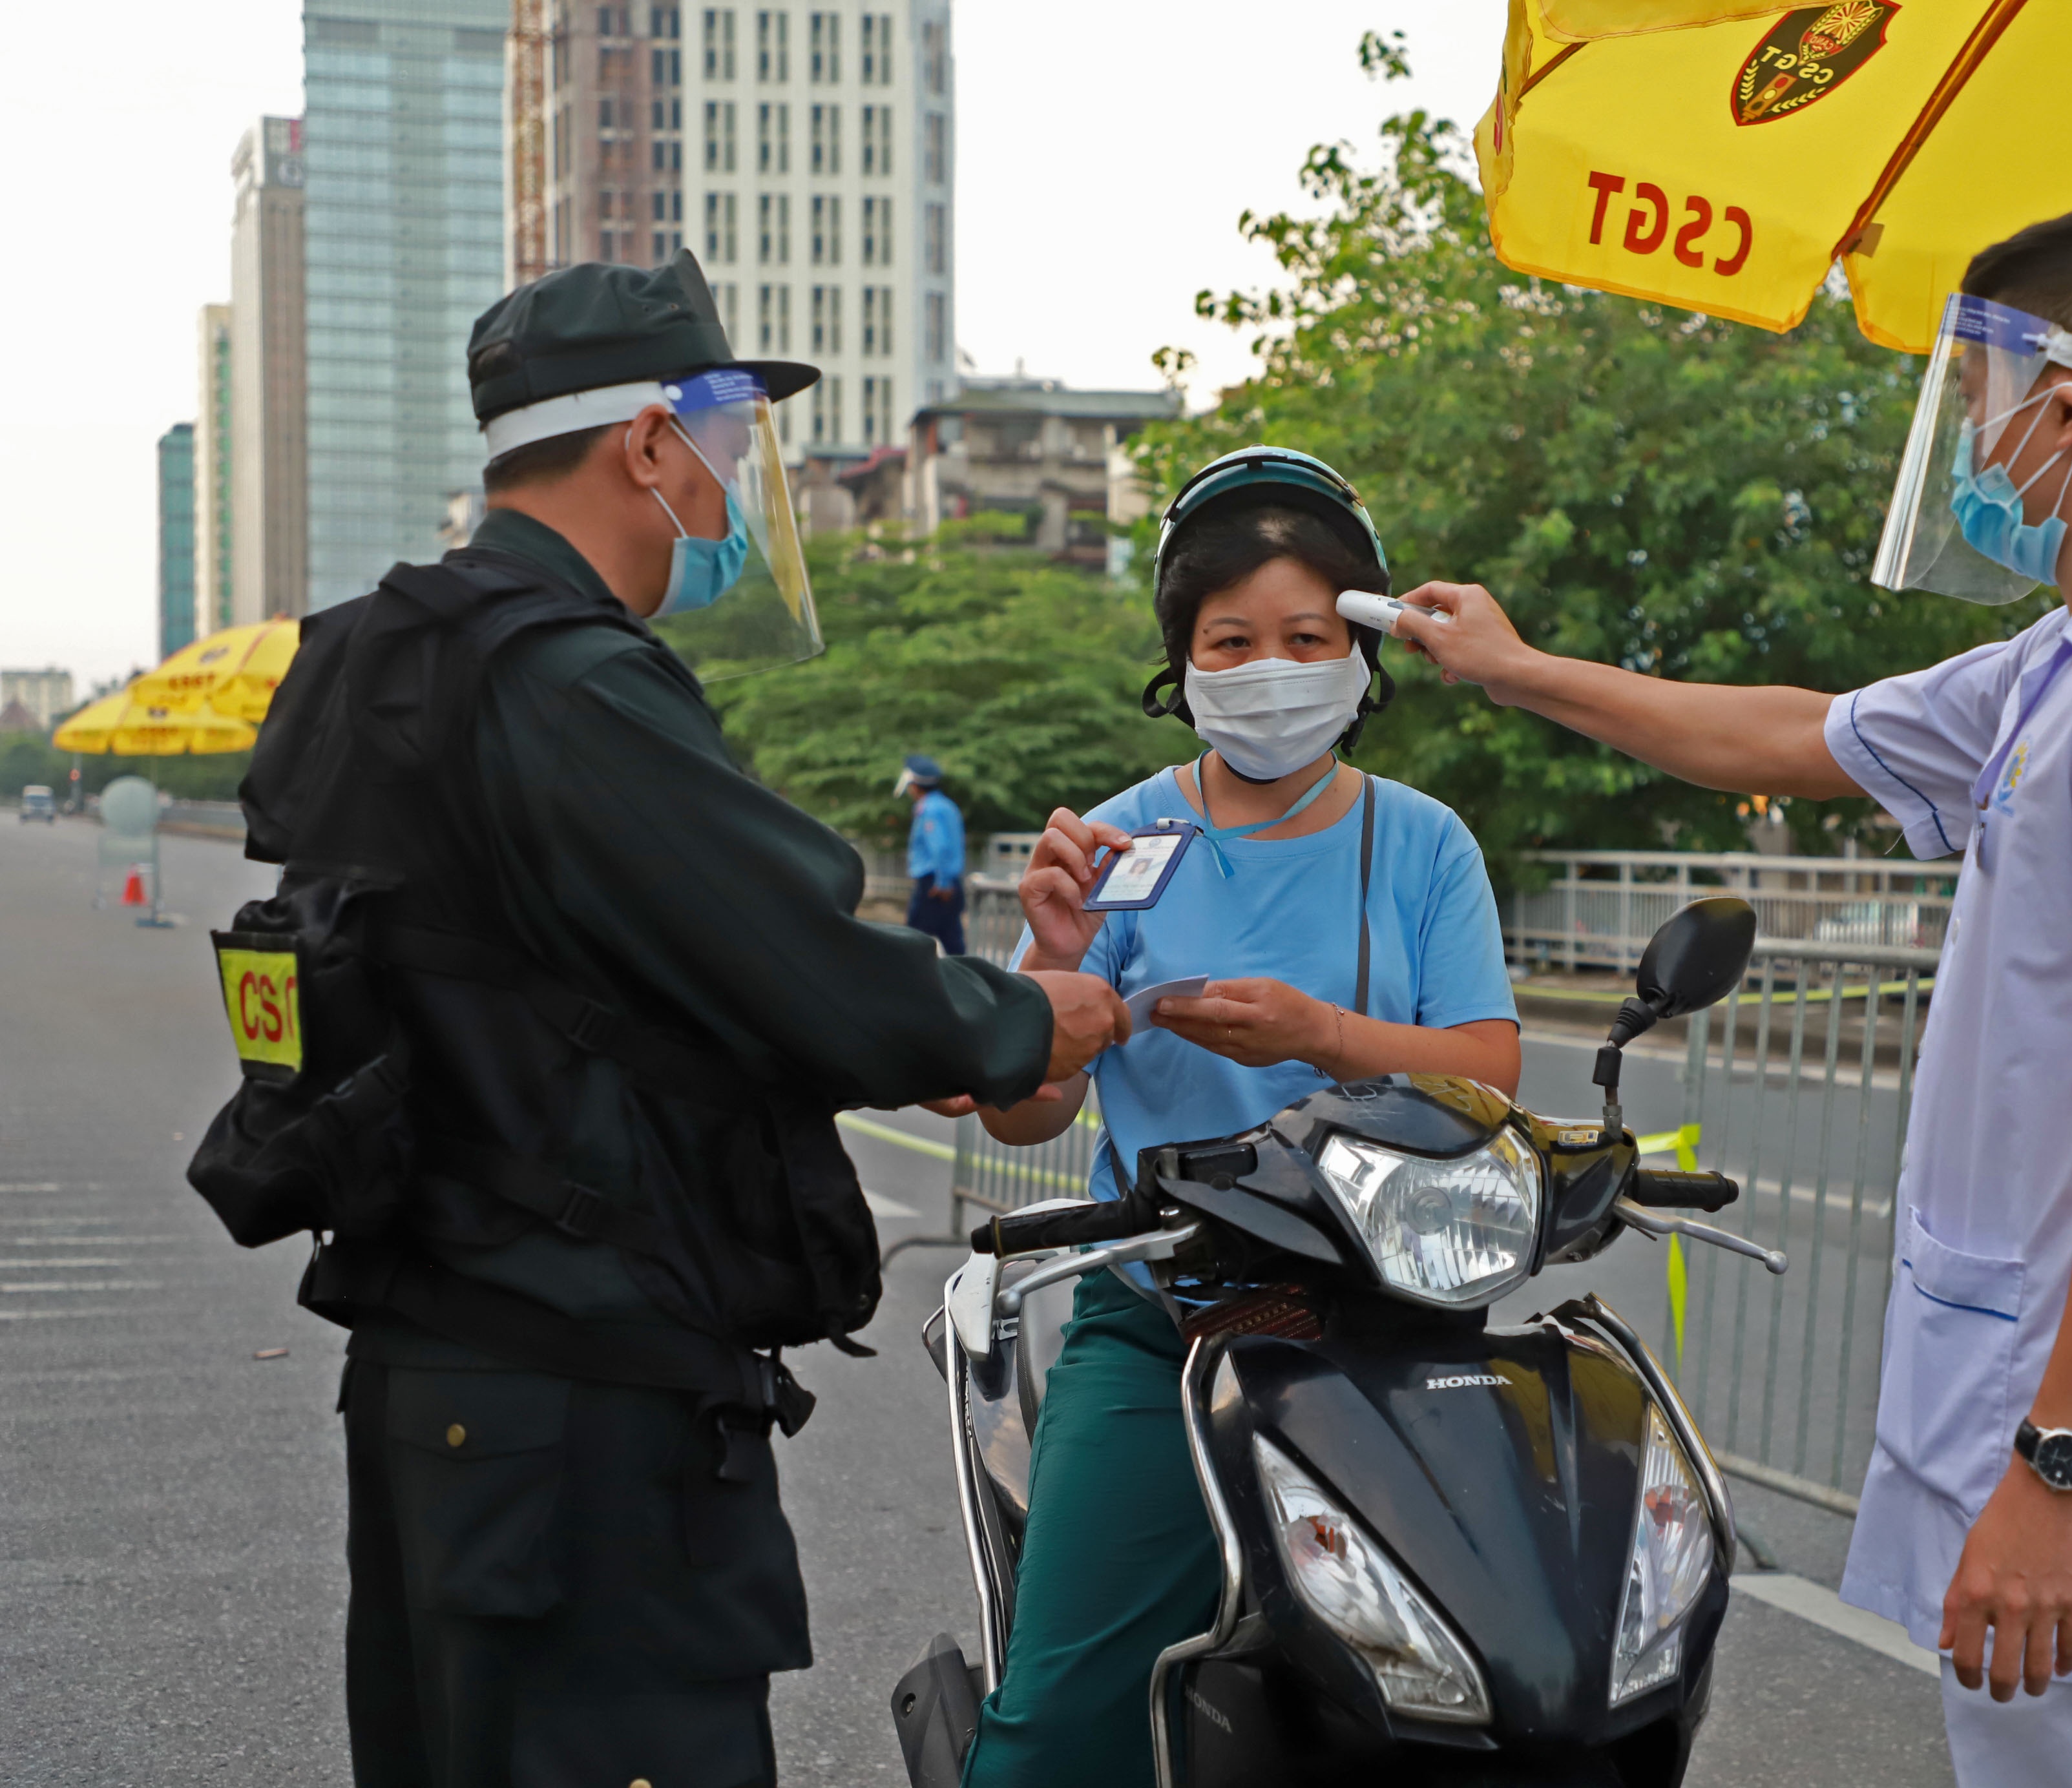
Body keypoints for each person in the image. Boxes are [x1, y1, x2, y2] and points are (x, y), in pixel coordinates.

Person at [1380, 206, 2072, 1787]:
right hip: (2026, 1378)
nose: (1968, 446)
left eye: (1976, 402)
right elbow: (1790, 735)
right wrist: (1513, 666)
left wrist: (2059, 1467)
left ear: (2064, 408)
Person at [218, 253, 1129, 1787]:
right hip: (581, 1408)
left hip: (446, 1369)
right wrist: (1021, 1019)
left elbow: (581, 965)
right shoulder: (566, 676)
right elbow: (787, 949)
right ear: (646, 441)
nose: (725, 487)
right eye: (719, 439)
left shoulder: (388, 649)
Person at [957, 447, 1523, 1788]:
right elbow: (1029, 1111)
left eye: (1307, 637)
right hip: (1163, 1326)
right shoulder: (1116, 843)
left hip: (1391, 1323)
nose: (1272, 668)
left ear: (1361, 653)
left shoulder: (1427, 841)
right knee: (1055, 1727)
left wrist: (1319, 1032)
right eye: (1233, 640)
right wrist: (1053, 964)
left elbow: (1487, 1073)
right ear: (1185, 660)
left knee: (1512, 1678)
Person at [899, 753, 970, 955]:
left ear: (915, 786)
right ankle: (964, 975)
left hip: (935, 885)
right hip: (946, 882)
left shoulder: (929, 809)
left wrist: (943, 882)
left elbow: (940, 847)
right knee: (952, 941)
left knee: (911, 942)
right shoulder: (947, 806)